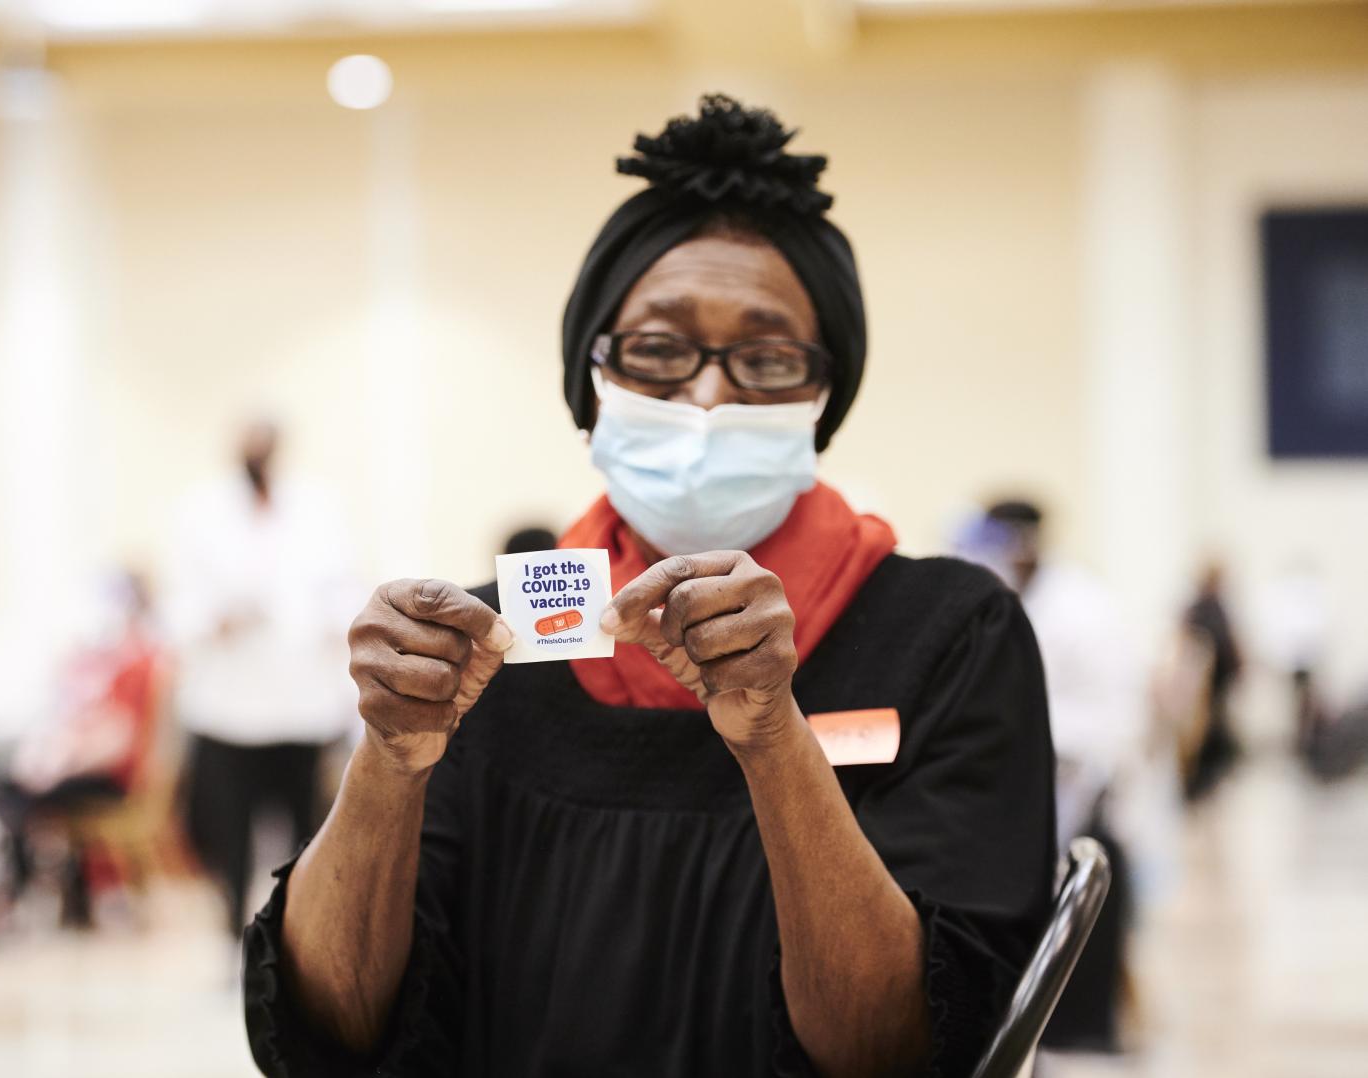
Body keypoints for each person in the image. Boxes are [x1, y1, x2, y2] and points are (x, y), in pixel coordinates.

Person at [244, 96, 1056, 1077]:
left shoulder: (948, 637)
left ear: (821, 396)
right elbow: (333, 1032)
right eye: (660, 350)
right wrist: (389, 757)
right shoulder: (484, 650)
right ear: (593, 382)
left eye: (765, 358)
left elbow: (900, 1049)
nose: (707, 397)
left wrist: (771, 734)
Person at [957, 499, 1143, 1053]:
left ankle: (1083, 1032)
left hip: (1080, 787)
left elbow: (1117, 716)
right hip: (1017, 788)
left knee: (1080, 921)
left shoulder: (1083, 607)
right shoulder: (999, 599)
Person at [167, 420, 358, 939]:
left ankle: (301, 934)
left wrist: (328, 628)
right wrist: (216, 621)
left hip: (303, 707)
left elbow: (344, 590)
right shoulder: (201, 512)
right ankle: (234, 935)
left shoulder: (317, 508)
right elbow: (179, 608)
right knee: (229, 836)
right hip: (228, 710)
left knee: (308, 835)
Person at [0, 570, 162, 923]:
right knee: (15, 789)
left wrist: (60, 767)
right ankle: (61, 898)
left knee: (15, 795)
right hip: (106, 769)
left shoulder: (138, 664)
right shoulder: (126, 660)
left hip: (116, 779)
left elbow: (118, 739)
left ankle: (21, 898)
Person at [1182, 560, 1243, 799]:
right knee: (1204, 734)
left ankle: (1209, 778)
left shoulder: (1215, 607)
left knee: (1216, 730)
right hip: (1202, 685)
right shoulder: (1200, 608)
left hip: (1217, 683)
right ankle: (1200, 781)